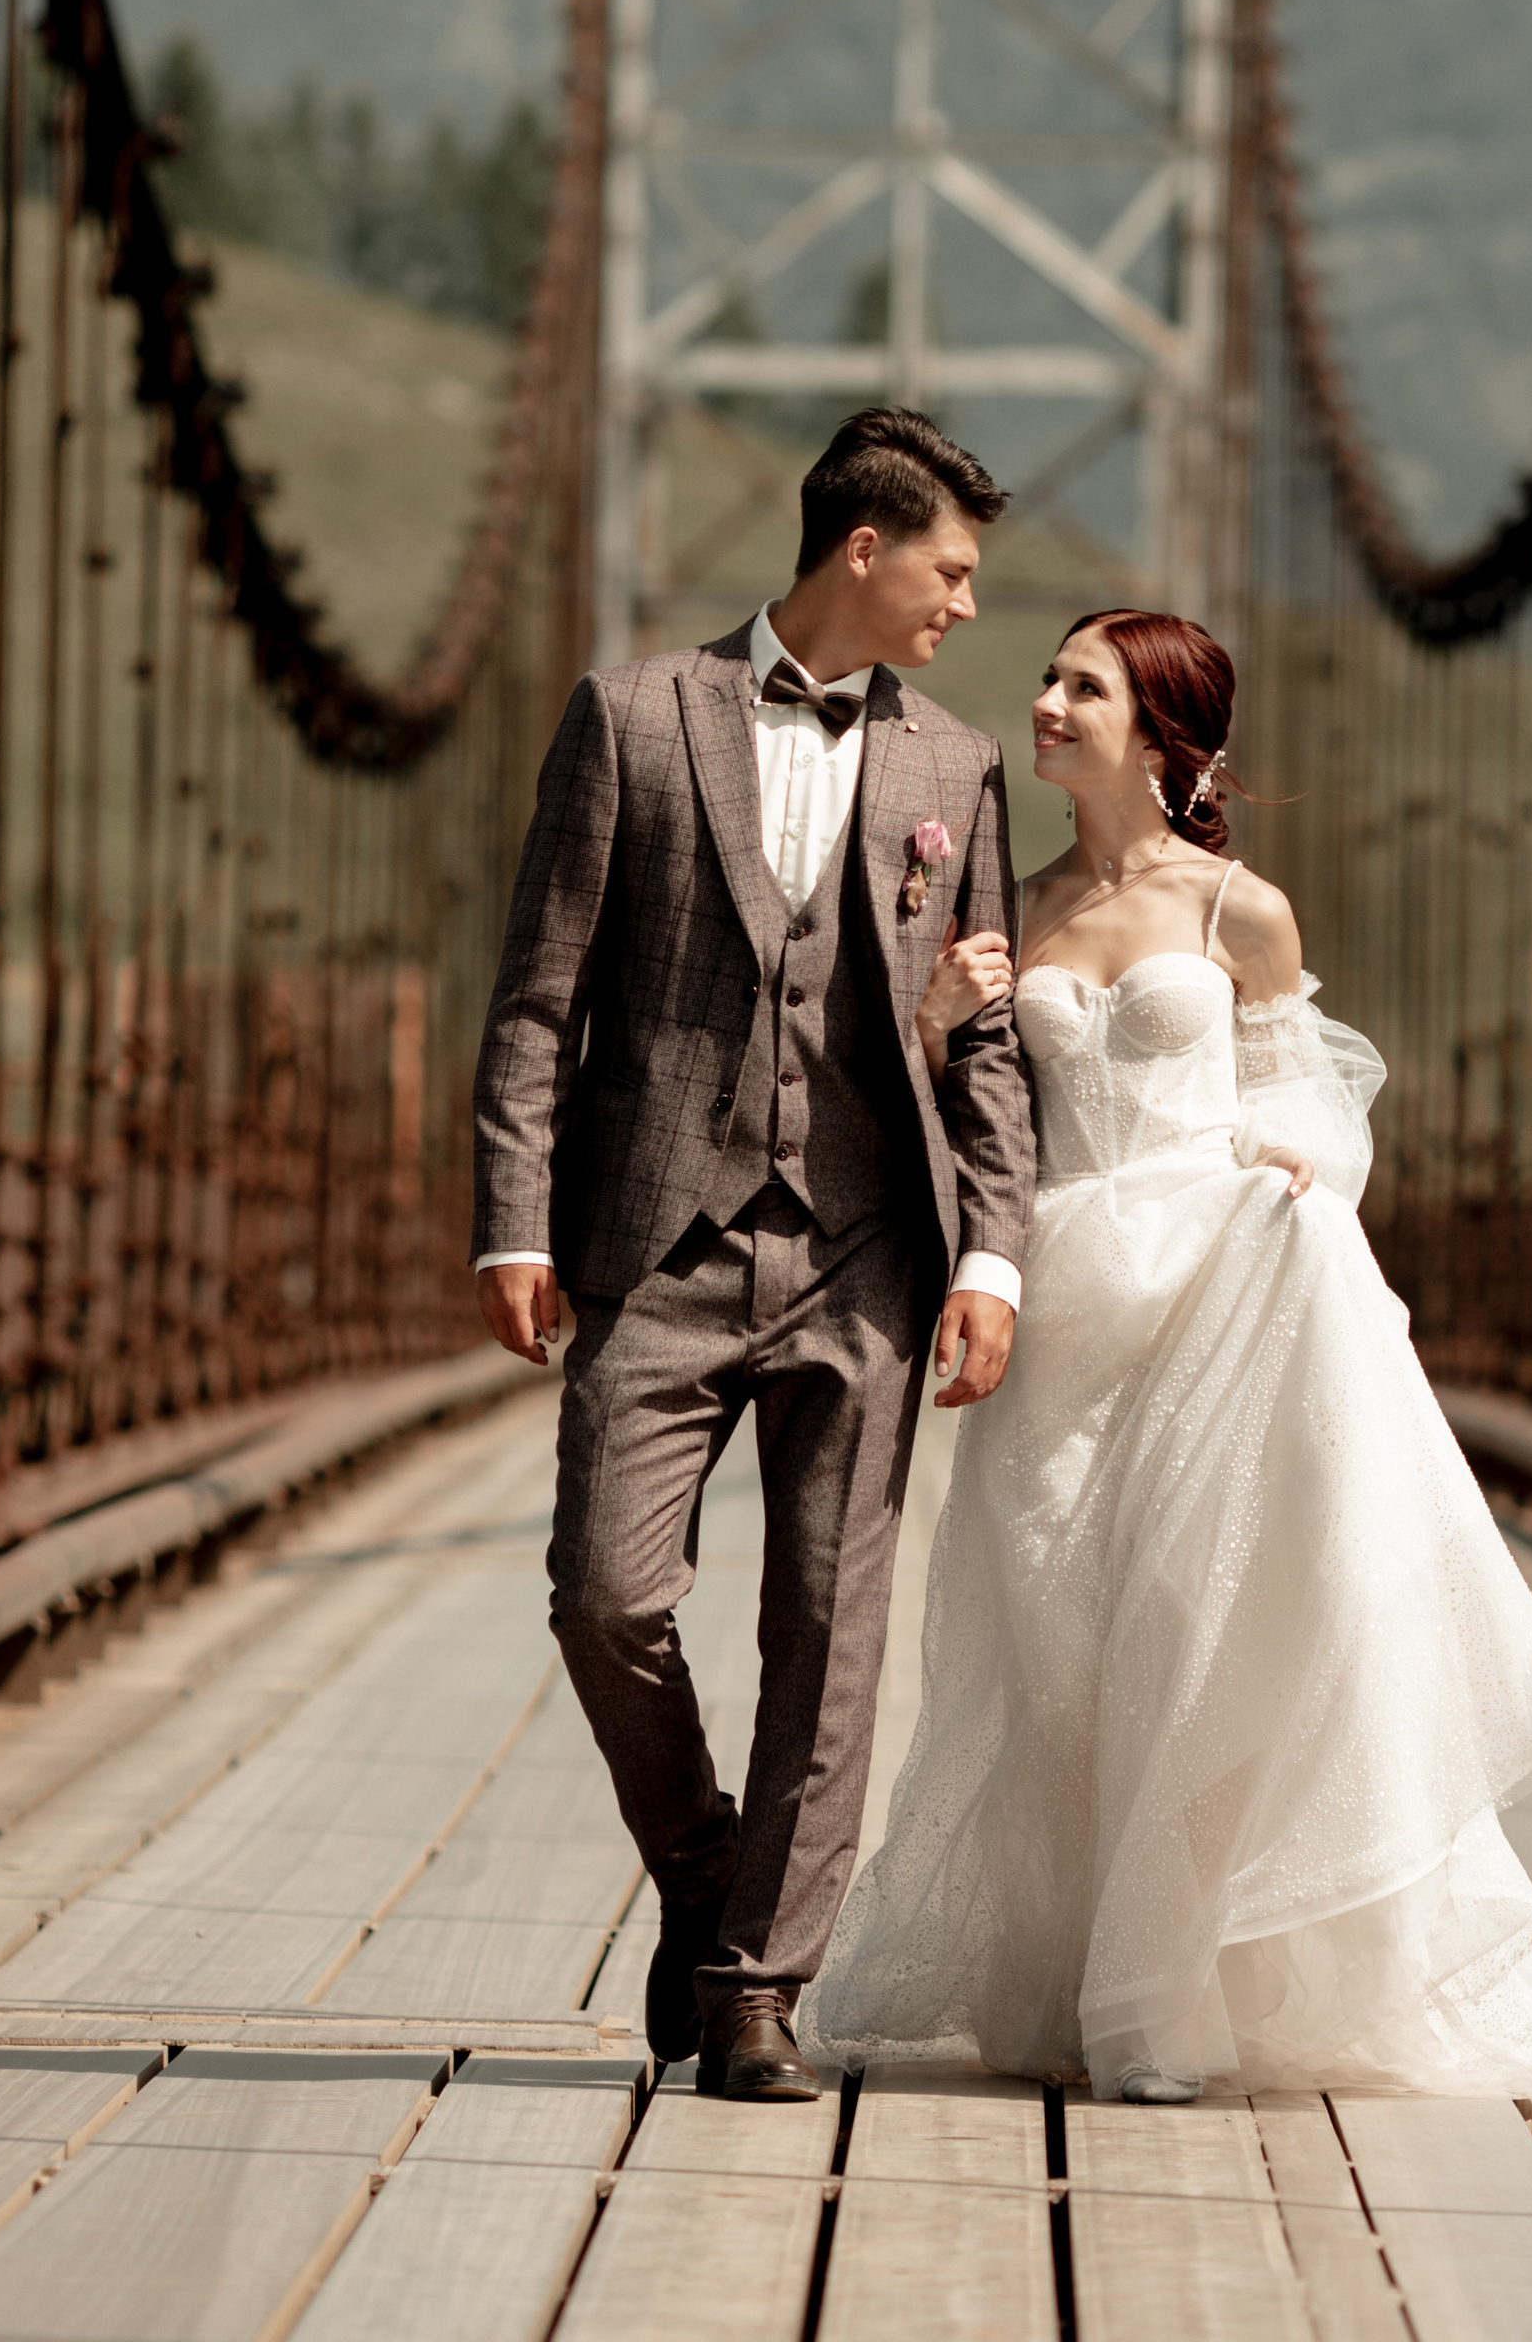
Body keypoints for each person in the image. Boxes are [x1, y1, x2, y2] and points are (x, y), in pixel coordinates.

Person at [810, 606, 1532, 2102]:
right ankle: (1077, 1969)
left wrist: (1290, 1161)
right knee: (1056, 1648)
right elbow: (958, 1133)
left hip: (1217, 1289)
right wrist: (933, 1029)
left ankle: (1161, 2004)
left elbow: (1316, 1105)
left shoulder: (1242, 911)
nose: (1044, 701)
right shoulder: (1017, 909)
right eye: (1049, 677)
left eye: (1083, 686)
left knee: (1192, 1632)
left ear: (1164, 734)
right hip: (1065, 1305)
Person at [470, 407, 1035, 2105]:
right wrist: (515, 1213)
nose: (965, 608)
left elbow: (990, 1040)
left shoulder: (956, 765)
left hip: (870, 1254)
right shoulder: (633, 717)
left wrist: (993, 1255)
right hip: (657, 1241)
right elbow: (535, 1003)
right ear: (862, 550)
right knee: (605, 1594)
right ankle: (712, 1876)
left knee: (828, 1628)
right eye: (950, 570)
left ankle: (755, 1995)